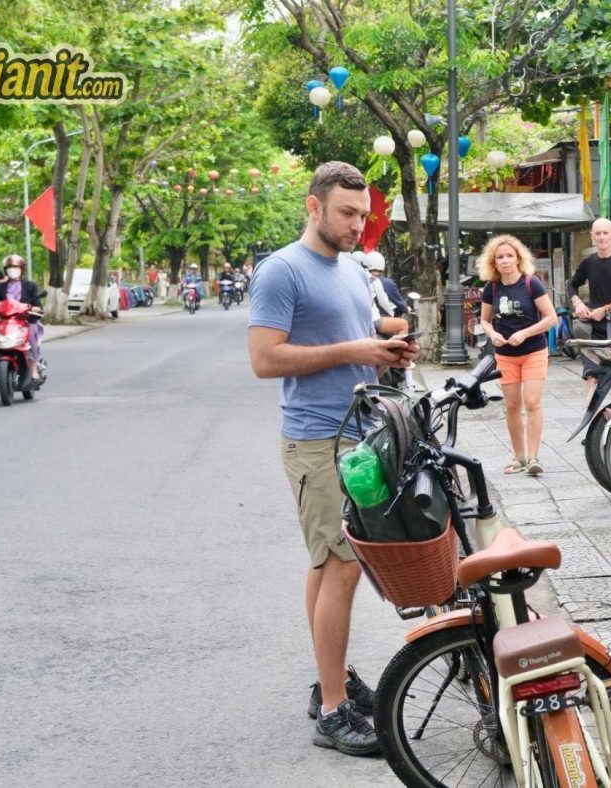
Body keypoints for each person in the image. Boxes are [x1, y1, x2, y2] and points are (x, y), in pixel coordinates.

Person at [247, 161, 417, 758]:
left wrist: (385, 347)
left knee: (327, 565)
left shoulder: (349, 268)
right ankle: (333, 710)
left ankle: (332, 678)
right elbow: (266, 360)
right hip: (316, 440)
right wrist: (355, 348)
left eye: (363, 216)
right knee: (343, 564)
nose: (356, 226)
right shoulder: (281, 271)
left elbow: (354, 335)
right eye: (347, 214)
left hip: (359, 434)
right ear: (314, 206)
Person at [478, 235, 557, 476]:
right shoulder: (491, 288)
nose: (505, 261)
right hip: (505, 354)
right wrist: (492, 334)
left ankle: (533, 457)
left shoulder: (531, 283)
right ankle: (519, 457)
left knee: (532, 402)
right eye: (500, 257)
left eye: (509, 256)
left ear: (518, 258)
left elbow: (551, 318)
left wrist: (524, 333)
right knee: (512, 405)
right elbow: (484, 320)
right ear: (493, 261)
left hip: (533, 351)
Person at [567, 218, 611, 394]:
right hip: (595, 328)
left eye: (605, 233)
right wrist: (578, 303)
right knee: (591, 372)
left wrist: (605, 309)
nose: (602, 237)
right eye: (597, 233)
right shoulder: (588, 262)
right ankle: (591, 417)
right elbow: (572, 285)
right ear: (592, 236)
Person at [0, 255, 45, 380]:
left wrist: (35, 308)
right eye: (9, 267)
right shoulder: (0, 287)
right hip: (7, 322)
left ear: (21, 269)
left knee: (30, 337)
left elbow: (37, 303)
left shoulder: (30, 286)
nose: (12, 269)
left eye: (15, 267)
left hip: (26, 321)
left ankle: (34, 367)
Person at [367, 251, 409, 318]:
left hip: (363, 320)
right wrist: (406, 308)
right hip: (380, 320)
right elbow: (400, 304)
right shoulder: (387, 283)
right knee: (404, 324)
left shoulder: (361, 281)